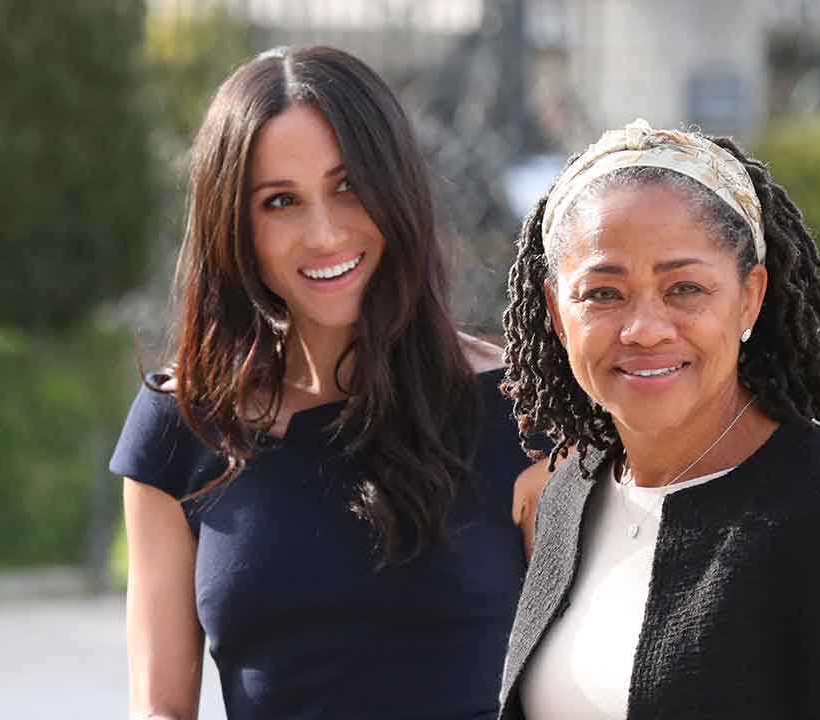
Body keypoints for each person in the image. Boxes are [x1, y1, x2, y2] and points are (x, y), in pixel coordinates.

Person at [110, 45, 547, 719]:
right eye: (280, 201)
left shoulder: (522, 413)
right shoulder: (181, 426)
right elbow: (160, 708)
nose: (322, 234)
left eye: (348, 187)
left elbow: (576, 685)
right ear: (235, 226)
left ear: (396, 188)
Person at [497, 120, 820, 718]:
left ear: (750, 296)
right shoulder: (570, 495)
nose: (644, 329)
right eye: (603, 294)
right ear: (556, 312)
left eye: (685, 289)